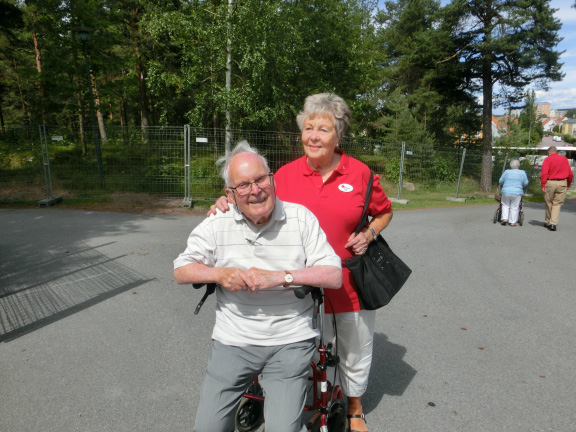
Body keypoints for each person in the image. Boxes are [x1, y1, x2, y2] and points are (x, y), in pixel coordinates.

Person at [209, 93, 393, 432]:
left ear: (339, 135)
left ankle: (354, 407)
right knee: (287, 349)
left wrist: (368, 234)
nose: (314, 136)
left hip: (348, 283)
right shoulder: (283, 175)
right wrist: (227, 199)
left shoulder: (362, 174)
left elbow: (384, 212)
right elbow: (253, 200)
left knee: (353, 349)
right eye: (309, 127)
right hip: (294, 287)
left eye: (323, 129)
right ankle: (274, 399)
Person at [174, 140, 342, 432]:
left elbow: (333, 275)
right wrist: (219, 274)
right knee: (207, 428)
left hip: (290, 339)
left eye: (260, 179)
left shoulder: (301, 218)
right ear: (230, 194)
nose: (255, 190)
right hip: (234, 341)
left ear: (272, 179)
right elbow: (181, 269)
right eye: (243, 185)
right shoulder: (218, 222)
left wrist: (280, 277)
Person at [540, 146, 574, 231]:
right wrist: (568, 184)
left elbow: (544, 173)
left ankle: (548, 221)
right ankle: (553, 223)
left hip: (550, 182)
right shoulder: (564, 159)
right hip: (562, 182)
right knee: (557, 204)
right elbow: (570, 174)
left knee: (549, 202)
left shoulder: (547, 160)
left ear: (549, 152)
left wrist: (543, 184)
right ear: (556, 151)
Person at [498, 159, 528, 226]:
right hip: (517, 192)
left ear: (511, 165)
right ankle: (512, 222)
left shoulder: (506, 172)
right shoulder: (522, 172)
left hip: (506, 191)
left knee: (505, 205)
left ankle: (505, 218)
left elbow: (500, 181)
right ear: (519, 165)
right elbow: (526, 183)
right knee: (514, 206)